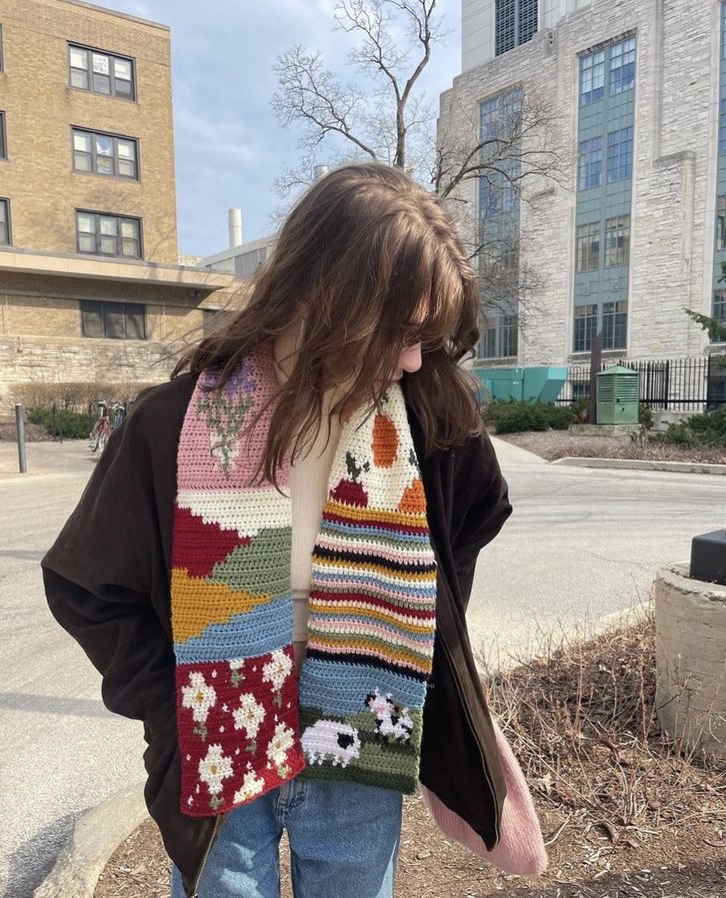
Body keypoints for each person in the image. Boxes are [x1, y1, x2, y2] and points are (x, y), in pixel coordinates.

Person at [41, 161, 547, 898]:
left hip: (364, 726)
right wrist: (170, 710)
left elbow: (467, 530)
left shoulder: (432, 423)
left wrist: (417, 646)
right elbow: (87, 587)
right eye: (401, 333)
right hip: (218, 740)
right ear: (322, 296)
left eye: (427, 337)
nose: (413, 360)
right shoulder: (172, 424)